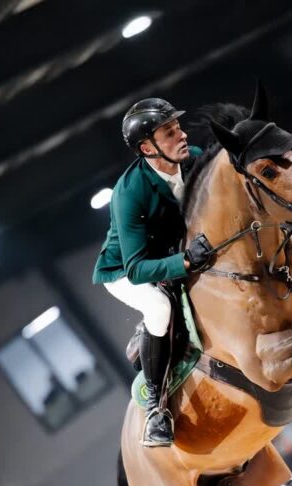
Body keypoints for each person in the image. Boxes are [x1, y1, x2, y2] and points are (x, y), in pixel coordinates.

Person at [92, 98, 215, 447]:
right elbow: (136, 267)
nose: (182, 136)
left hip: (172, 253)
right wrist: (186, 263)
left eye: (178, 128)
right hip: (125, 272)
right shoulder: (128, 193)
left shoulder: (192, 156)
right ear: (147, 147)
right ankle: (156, 409)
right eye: (170, 132)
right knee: (160, 308)